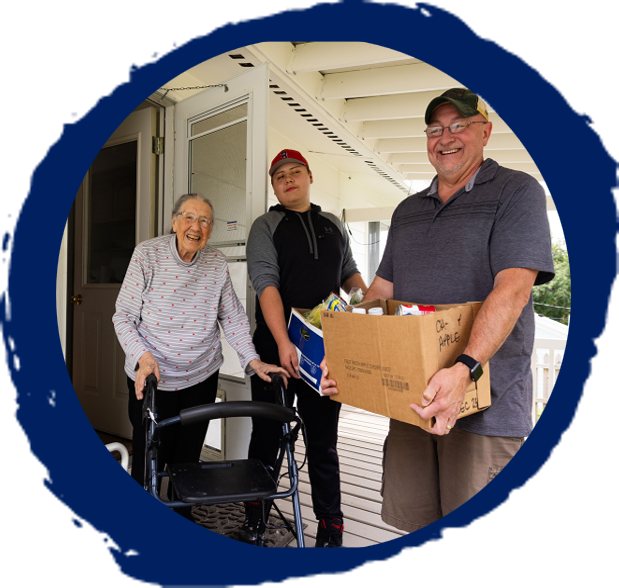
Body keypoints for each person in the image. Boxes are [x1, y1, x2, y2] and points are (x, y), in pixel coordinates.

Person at [320, 88, 555, 532]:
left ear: (485, 131)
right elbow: (380, 292)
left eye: (459, 126)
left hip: (484, 408)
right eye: (435, 129)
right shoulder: (407, 211)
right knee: (414, 522)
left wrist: (465, 366)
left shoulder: (517, 192)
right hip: (411, 402)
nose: (446, 138)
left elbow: (513, 290)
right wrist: (345, 355)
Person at [112, 193, 288, 521]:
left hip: (200, 375)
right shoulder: (147, 255)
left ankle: (183, 520)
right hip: (152, 376)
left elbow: (233, 318)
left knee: (188, 459)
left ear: (211, 229)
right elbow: (123, 316)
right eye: (189, 217)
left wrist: (253, 360)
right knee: (150, 455)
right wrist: (143, 358)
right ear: (175, 221)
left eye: (205, 220)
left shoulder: (216, 263)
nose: (197, 226)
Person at [237, 149, 367, 547]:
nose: (288, 179)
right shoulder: (266, 225)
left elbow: (350, 276)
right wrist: (281, 343)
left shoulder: (332, 224)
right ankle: (256, 517)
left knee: (323, 440)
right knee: (268, 434)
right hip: (276, 347)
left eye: (295, 172)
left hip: (324, 350)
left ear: (309, 176)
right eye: (279, 176)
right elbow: (266, 285)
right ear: (274, 186)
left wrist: (366, 301)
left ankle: (331, 526)